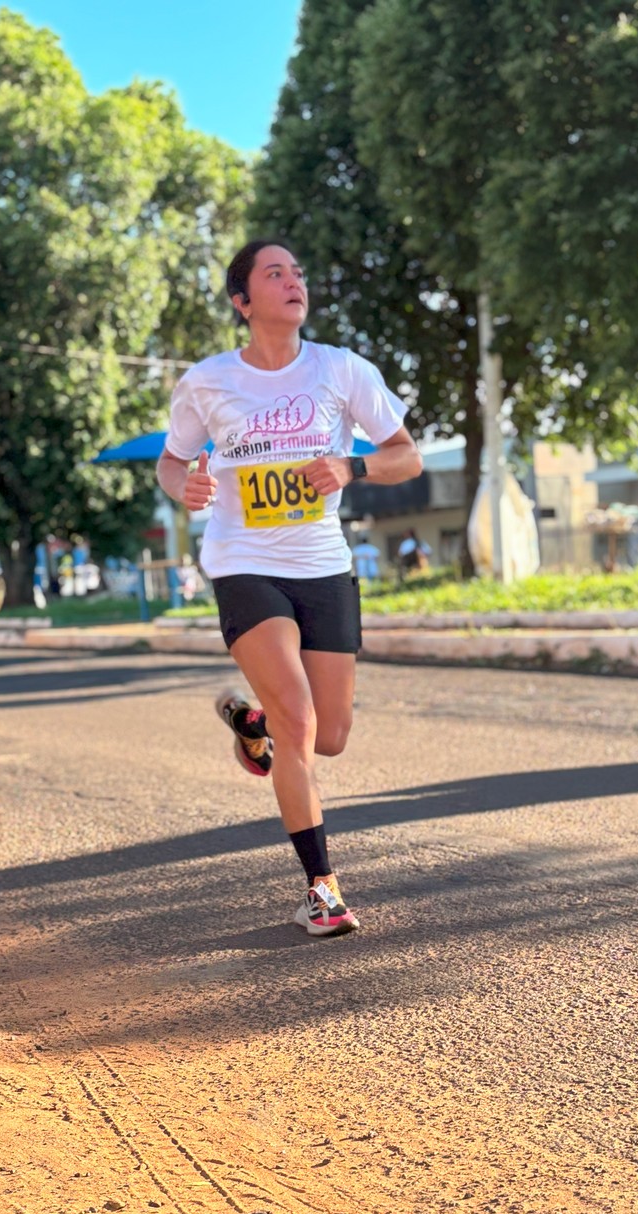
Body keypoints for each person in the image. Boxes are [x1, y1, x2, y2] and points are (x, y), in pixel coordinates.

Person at [156, 239, 421, 937]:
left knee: (328, 735)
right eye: (275, 274)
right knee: (299, 723)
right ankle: (321, 889)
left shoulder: (341, 369)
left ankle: (253, 725)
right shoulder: (207, 382)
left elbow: (406, 455)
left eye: (298, 272)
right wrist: (185, 486)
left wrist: (351, 467)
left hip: (323, 564)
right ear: (243, 301)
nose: (293, 282)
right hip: (243, 562)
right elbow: (171, 461)